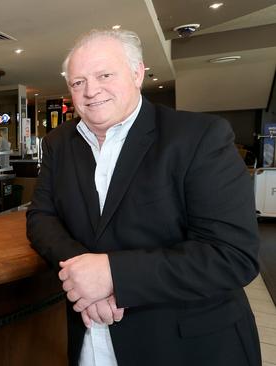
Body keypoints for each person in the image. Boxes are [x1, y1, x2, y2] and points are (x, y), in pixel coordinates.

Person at [26, 29, 261, 366]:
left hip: (186, 348)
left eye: (104, 75)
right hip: (92, 342)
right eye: (78, 82)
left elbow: (232, 254)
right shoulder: (58, 143)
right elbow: (41, 217)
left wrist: (112, 275)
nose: (91, 91)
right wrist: (82, 272)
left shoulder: (200, 137)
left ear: (137, 73)